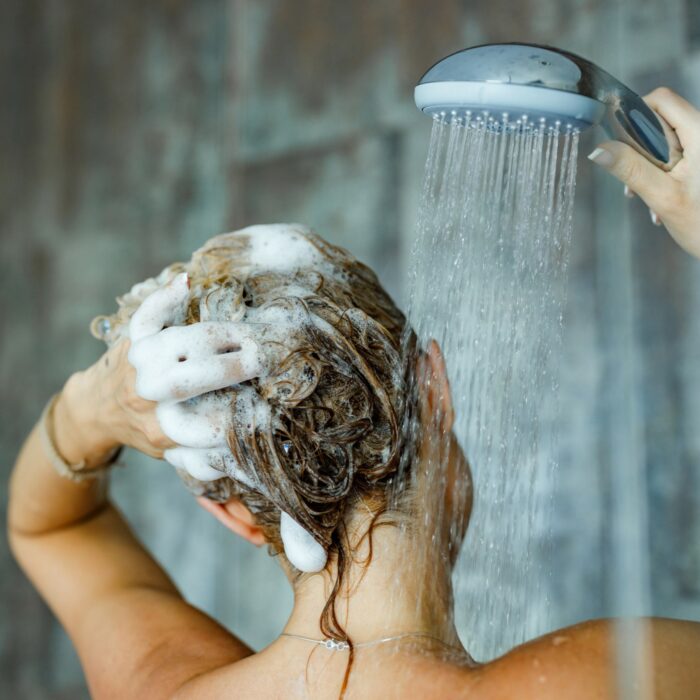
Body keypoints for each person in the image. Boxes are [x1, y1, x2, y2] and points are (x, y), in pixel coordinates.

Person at [7, 87, 700, 700]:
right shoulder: (620, 676)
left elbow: (48, 526)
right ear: (434, 390)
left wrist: (94, 406)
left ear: (238, 518)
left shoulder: (158, 685)